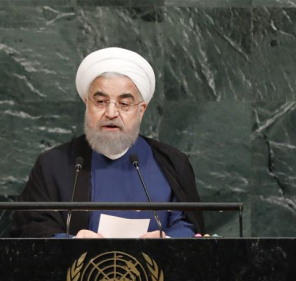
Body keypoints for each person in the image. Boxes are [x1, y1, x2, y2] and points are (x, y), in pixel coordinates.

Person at [10, 47, 204, 238]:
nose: (111, 113)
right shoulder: (53, 165)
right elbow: (32, 227)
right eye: (101, 102)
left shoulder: (172, 163)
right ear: (87, 104)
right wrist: (71, 244)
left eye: (124, 104)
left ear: (141, 110)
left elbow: (187, 223)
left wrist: (167, 241)